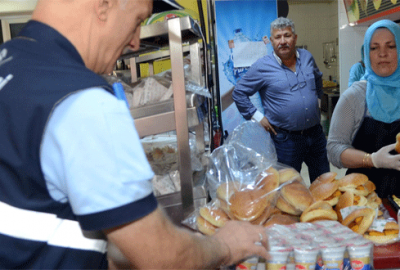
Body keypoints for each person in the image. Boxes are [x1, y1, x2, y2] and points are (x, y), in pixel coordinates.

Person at [0, 0, 270, 269]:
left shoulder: (10, 64)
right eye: (138, 20)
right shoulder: (82, 100)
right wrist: (226, 245)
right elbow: (164, 258)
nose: (135, 42)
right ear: (103, 5)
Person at [232, 17, 330, 183]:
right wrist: (257, 117)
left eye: (287, 35)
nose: (283, 41)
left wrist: (317, 102)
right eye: (278, 37)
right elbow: (239, 92)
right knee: (288, 188)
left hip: (316, 135)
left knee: (324, 183)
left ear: (295, 38)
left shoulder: (306, 57)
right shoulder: (262, 66)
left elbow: (318, 78)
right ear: (271, 41)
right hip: (286, 140)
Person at [327, 19, 400, 198]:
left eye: (390, 46)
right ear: (366, 54)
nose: (382, 54)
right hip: (361, 198)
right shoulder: (354, 97)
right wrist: (372, 160)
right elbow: (334, 149)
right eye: (374, 48)